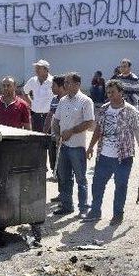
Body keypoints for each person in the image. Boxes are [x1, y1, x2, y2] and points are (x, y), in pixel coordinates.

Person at [83, 80, 139, 225]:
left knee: (120, 186)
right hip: (104, 155)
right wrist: (91, 146)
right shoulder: (104, 109)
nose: (110, 95)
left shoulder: (131, 110)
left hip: (123, 156)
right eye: (108, 92)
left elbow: (138, 130)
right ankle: (95, 211)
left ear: (121, 92)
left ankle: (118, 214)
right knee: (98, 184)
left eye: (113, 92)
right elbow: (98, 129)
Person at [52, 72, 95, 216]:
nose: (65, 85)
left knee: (81, 179)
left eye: (68, 82)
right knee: (64, 178)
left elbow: (89, 122)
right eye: (65, 82)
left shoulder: (85, 101)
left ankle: (83, 209)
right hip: (63, 146)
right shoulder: (63, 100)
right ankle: (66, 206)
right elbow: (56, 120)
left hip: (77, 146)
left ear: (77, 84)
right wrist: (57, 135)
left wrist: (71, 131)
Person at [44, 75, 66, 183]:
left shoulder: (67, 100)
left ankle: (64, 193)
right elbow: (50, 115)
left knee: (63, 166)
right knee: (53, 161)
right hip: (54, 136)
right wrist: (44, 132)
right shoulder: (54, 99)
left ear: (61, 86)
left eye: (53, 86)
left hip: (65, 138)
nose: (51, 88)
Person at [23, 59, 54, 132]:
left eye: (39, 68)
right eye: (36, 68)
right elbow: (25, 91)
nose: (36, 70)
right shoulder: (33, 80)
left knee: (49, 138)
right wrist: (31, 103)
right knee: (36, 137)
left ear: (46, 69)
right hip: (35, 115)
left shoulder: (53, 81)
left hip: (49, 116)